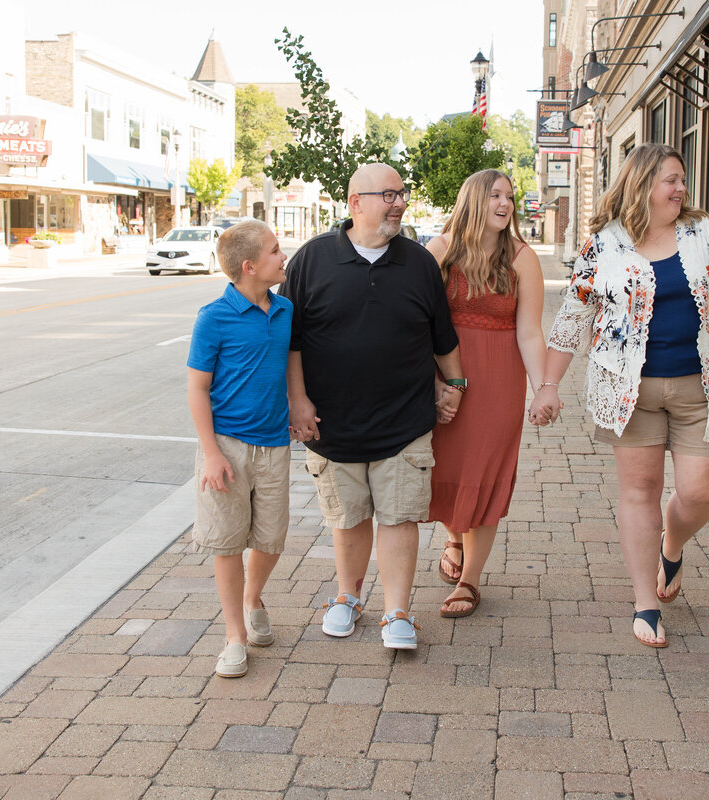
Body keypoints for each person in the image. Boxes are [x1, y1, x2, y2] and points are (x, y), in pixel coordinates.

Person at [529, 143, 709, 648]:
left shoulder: (705, 233)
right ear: (642, 185)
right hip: (628, 390)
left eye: (682, 179)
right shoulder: (606, 243)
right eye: (671, 179)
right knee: (639, 491)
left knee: (700, 493)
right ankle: (645, 601)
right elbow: (574, 316)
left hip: (700, 387)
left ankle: (674, 543)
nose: (681, 188)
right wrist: (549, 386)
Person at [280, 163, 464, 650]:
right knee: (348, 518)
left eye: (402, 193)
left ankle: (397, 612)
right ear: (355, 202)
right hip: (331, 424)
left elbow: (441, 337)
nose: (399, 202)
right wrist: (297, 401)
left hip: (404, 420)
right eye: (388, 194)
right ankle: (347, 597)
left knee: (400, 517)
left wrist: (456, 384)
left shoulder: (421, 263)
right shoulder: (311, 260)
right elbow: (290, 342)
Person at [426, 170, 547, 618]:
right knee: (449, 464)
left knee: (487, 469)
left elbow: (531, 332)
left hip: (499, 382)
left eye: (510, 197)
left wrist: (544, 389)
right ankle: (454, 536)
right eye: (496, 195)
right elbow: (419, 323)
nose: (506, 204)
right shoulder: (440, 250)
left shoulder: (521, 257)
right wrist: (436, 381)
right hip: (446, 374)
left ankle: (470, 580)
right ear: (474, 199)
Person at [186, 220, 292, 678]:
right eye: (274, 250)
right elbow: (196, 390)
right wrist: (211, 453)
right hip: (226, 448)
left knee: (270, 540)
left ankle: (253, 598)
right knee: (227, 544)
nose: (283, 255)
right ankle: (234, 636)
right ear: (250, 267)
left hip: (274, 443)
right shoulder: (214, 317)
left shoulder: (285, 310)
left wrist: (301, 408)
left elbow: (292, 368)